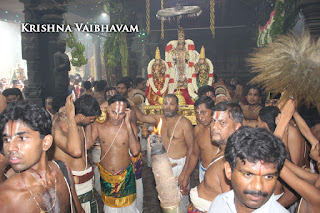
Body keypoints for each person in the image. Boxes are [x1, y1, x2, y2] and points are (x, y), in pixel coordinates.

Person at [0, 101, 84, 213]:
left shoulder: (63, 170)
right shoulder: (6, 198)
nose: (10, 148)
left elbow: (77, 210)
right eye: (6, 139)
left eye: (22, 138)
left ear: (46, 142)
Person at [131, 93, 194, 212]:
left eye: (171, 104)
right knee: (165, 201)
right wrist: (133, 105)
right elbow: (142, 117)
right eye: (165, 103)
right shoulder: (159, 119)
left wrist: (185, 175)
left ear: (177, 106)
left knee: (181, 202)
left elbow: (192, 150)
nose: (168, 107)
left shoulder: (184, 123)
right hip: (163, 168)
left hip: (179, 168)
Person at [208, 126, 288, 212]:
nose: (258, 187)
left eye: (268, 177)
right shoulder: (220, 203)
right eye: (248, 174)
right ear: (229, 171)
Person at [189, 101, 243, 213]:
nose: (214, 127)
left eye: (222, 122)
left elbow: (230, 207)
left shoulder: (228, 161)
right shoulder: (223, 148)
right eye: (213, 121)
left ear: (237, 127)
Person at [91, 95, 141, 213]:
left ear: (126, 113)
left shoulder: (129, 126)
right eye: (114, 112)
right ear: (107, 109)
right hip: (107, 177)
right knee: (110, 210)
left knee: (130, 209)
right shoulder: (99, 125)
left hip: (126, 177)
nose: (117, 117)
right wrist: (92, 119)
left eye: (121, 113)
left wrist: (128, 124)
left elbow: (135, 151)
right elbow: (88, 145)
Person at [52, 94, 101, 213]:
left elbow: (87, 145)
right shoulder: (61, 126)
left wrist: (87, 123)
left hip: (86, 184)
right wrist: (70, 116)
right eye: (91, 119)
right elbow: (76, 152)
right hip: (72, 186)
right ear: (82, 116)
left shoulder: (82, 123)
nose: (93, 121)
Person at [188, 96, 217, 183]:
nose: (200, 117)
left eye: (203, 113)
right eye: (197, 113)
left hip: (219, 174)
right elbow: (194, 155)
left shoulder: (221, 130)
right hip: (204, 172)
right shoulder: (197, 130)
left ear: (212, 111)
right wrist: (186, 176)